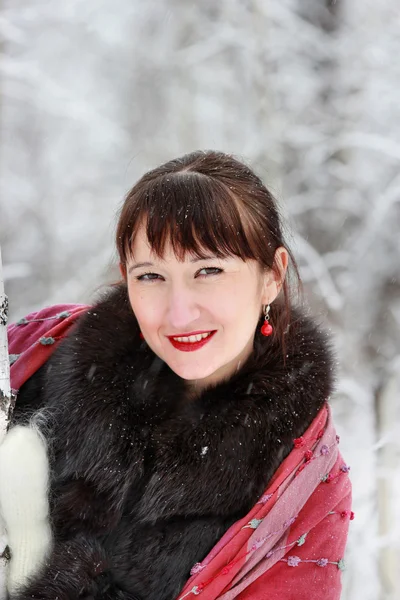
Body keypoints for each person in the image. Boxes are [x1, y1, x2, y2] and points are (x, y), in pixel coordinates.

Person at [1, 150, 352, 600]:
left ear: (272, 275)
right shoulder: (38, 353)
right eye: (151, 276)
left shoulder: (307, 488)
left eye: (208, 270)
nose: (178, 312)